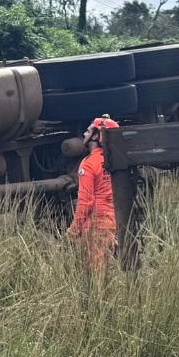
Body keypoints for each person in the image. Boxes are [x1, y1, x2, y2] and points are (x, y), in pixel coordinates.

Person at [68, 115, 119, 274]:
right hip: (112, 219)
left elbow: (85, 201)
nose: (84, 133)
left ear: (97, 136)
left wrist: (74, 229)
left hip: (96, 223)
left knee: (95, 271)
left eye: (89, 130)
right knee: (107, 265)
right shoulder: (115, 161)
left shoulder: (89, 164)